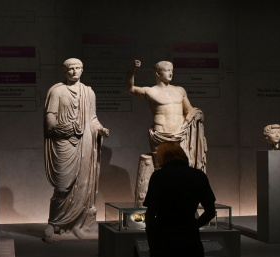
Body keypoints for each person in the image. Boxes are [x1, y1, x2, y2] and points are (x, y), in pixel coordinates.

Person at [43, 58, 110, 241]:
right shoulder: (58, 92)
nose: (74, 72)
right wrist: (55, 127)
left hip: (85, 141)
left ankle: (78, 224)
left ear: (82, 70)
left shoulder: (89, 93)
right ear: (64, 72)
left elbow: (92, 118)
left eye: (77, 68)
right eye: (70, 69)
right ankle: (54, 222)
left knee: (83, 184)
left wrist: (100, 129)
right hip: (64, 141)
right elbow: (51, 116)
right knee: (63, 186)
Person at [125, 60, 207, 200]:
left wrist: (196, 113)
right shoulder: (150, 91)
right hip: (160, 135)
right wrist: (132, 69)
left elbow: (189, 110)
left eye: (172, 70)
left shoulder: (180, 90)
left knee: (183, 170)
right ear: (157, 73)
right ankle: (163, 202)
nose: (170, 73)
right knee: (162, 170)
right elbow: (130, 88)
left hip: (180, 134)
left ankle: (182, 201)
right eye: (167, 70)